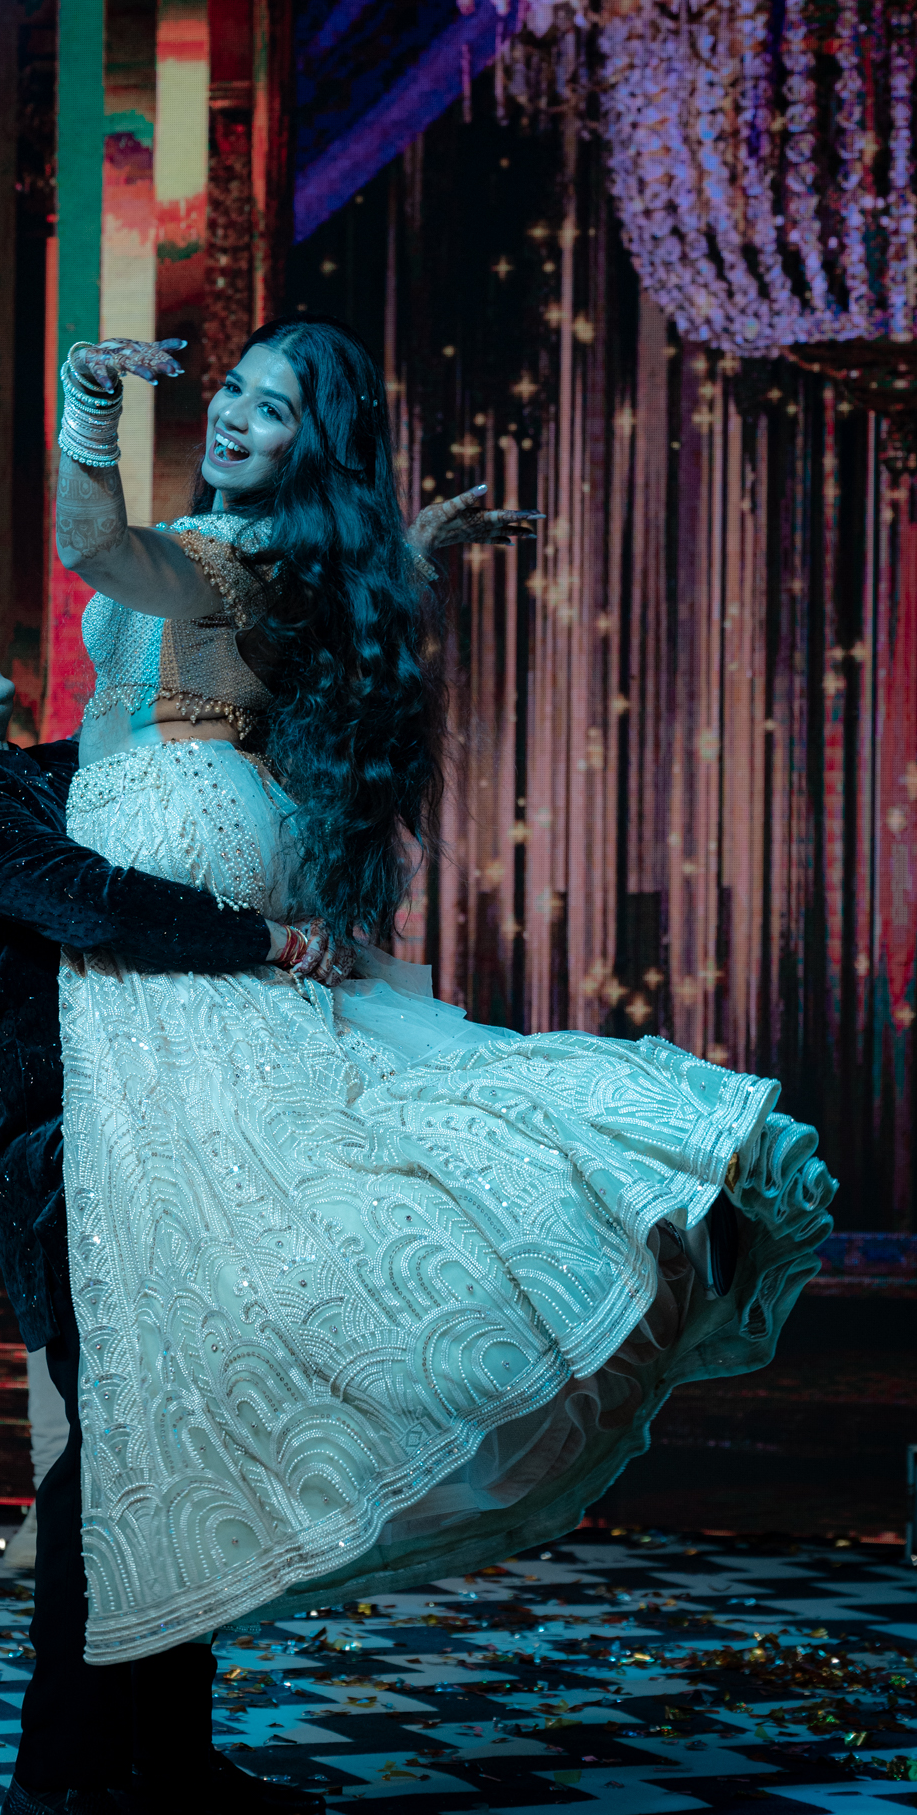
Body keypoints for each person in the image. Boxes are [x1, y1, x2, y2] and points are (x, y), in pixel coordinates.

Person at [50, 317, 836, 1670]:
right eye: (232, 388)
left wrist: (84, 402)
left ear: (313, 446)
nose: (233, 414)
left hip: (167, 822)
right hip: (189, 814)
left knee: (241, 1179)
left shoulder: (225, 553)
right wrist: (406, 557)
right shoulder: (274, 556)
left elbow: (92, 550)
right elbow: (277, 630)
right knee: (271, 1156)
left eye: (273, 408)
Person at [0, 583, 335, 1815]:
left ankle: (157, 1762)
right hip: (64, 1167)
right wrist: (265, 939)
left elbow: (189, 737)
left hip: (142, 1145)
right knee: (116, 1464)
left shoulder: (50, 771)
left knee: (166, 1450)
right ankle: (67, 1777)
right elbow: (92, 899)